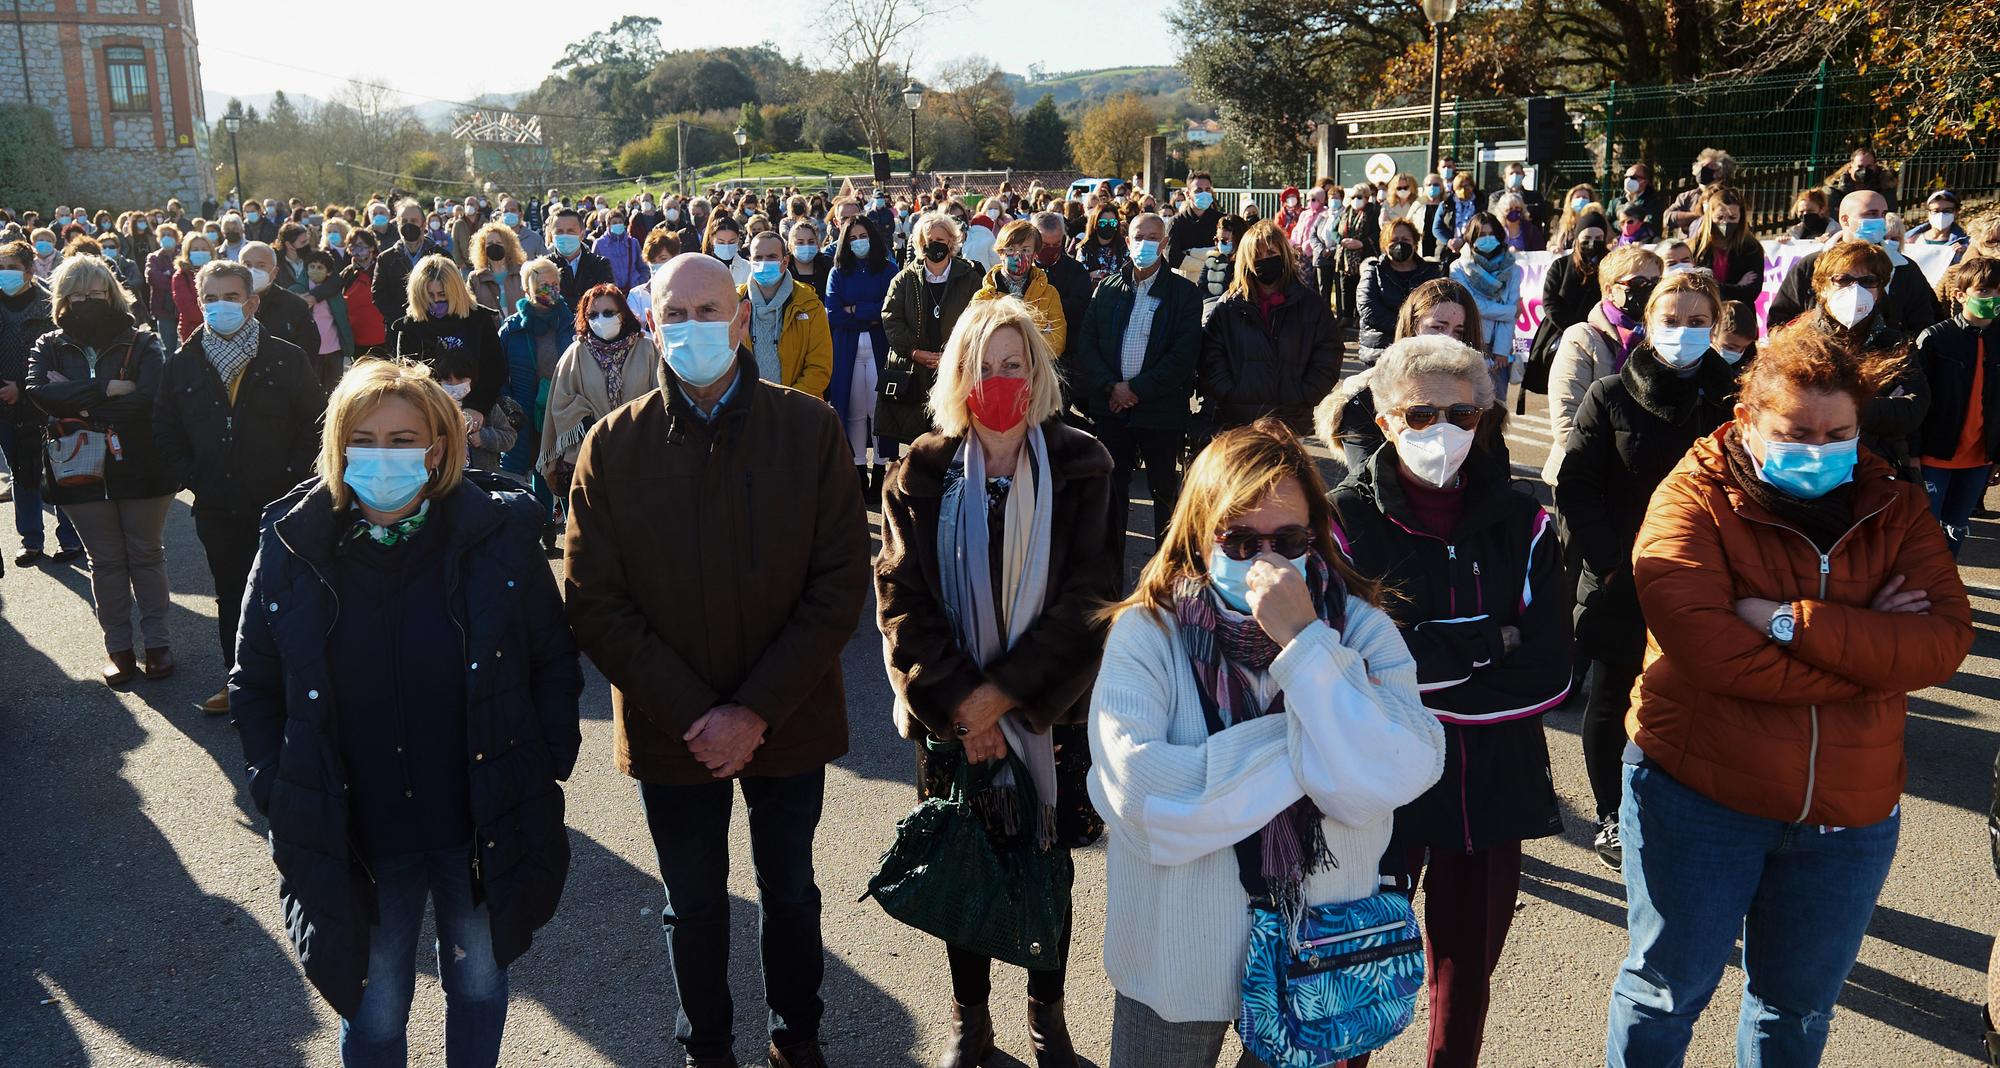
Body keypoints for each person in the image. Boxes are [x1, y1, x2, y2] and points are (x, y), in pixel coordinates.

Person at [1606, 326, 1972, 1066]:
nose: (1819, 447)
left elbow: (1942, 641)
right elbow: (1712, 653)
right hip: (1699, 797)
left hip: (1847, 815)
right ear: (1747, 420)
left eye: (1838, 432)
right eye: (1795, 432)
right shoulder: (1693, 496)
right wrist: (1871, 655)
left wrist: (1786, 621)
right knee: (1663, 994)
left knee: (1797, 1010)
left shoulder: (1894, 506)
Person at [565, 253, 870, 1068]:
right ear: (651, 325)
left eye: (712, 310)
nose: (694, 327)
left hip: (789, 717)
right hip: (677, 732)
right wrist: (699, 714)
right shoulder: (612, 449)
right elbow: (595, 600)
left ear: (741, 319)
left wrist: (756, 709)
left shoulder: (807, 430)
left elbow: (840, 583)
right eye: (676, 313)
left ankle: (795, 1038)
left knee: (791, 893)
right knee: (693, 903)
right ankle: (708, 1048)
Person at [231, 358, 581, 1067]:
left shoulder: (497, 534)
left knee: (479, 983)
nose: (382, 456)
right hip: (361, 831)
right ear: (336, 445)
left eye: (402, 439)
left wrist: (543, 762)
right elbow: (256, 684)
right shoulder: (291, 543)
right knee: (376, 1007)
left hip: (476, 818)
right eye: (363, 438)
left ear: (438, 447)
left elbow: (551, 659)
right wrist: (280, 788)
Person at [1089, 416, 1446, 1067]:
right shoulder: (1148, 633)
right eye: (1241, 540)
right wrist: (1322, 751)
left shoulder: (1357, 629)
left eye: (1288, 538)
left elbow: (1409, 765)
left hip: (1316, 946)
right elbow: (1146, 801)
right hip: (1177, 955)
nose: (1268, 561)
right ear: (1200, 534)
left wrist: (1307, 643)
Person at [873, 296, 1118, 1068]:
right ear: (958, 374)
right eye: (985, 366)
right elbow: (900, 598)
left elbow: (1092, 597)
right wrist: (961, 707)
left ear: (1038, 372)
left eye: (1015, 364)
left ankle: (1048, 1021)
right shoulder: (923, 468)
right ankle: (969, 1023)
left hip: (1051, 714)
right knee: (963, 856)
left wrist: (1005, 697)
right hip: (951, 714)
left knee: (1047, 863)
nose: (1001, 379)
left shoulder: (1084, 463)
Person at [1327, 334, 1572, 1068]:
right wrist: (1489, 643)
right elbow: (1349, 670)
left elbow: (1552, 673)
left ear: (1486, 417)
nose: (1443, 432)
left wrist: (1421, 662)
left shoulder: (1524, 520)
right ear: (1384, 416)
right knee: (1358, 973)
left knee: (1465, 983)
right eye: (1421, 414)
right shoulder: (1341, 519)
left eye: (1462, 414)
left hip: (1493, 786)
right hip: (1376, 794)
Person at [1553, 270, 1733, 869]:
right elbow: (1577, 487)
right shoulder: (1609, 394)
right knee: (1610, 696)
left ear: (1715, 326)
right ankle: (1610, 812)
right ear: (1649, 323)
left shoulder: (1737, 399)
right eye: (1672, 319)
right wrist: (1610, 567)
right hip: (1620, 577)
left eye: (1697, 321)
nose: (1683, 332)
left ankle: (1688, 805)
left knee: (1697, 694)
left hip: (1709, 580)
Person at [153, 259, 323, 715]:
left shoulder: (287, 358)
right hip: (217, 504)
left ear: (252, 302)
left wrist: (293, 480)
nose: (220, 306)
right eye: (210, 298)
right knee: (232, 596)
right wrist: (192, 476)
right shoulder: (183, 365)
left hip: (281, 504)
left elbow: (317, 426)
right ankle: (240, 683)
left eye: (230, 297)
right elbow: (165, 429)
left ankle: (297, 684)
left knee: (286, 593)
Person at [21, 255, 175, 682]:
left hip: (142, 463)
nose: (87, 301)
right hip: (76, 465)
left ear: (112, 292)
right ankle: (119, 649)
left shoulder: (143, 341)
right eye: (76, 294)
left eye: (95, 293)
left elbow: (148, 398)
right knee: (104, 560)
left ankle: (158, 644)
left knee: (146, 554)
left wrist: (72, 394)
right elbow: (39, 393)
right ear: (61, 299)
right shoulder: (47, 344)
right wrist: (106, 387)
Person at [1077, 211, 1202, 549]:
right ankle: (1111, 573)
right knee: (1112, 493)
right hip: (1111, 409)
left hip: (1160, 412)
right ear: (1127, 241)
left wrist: (1135, 390)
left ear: (1163, 244)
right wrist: (1111, 387)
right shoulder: (1108, 288)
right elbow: (1087, 343)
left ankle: (1167, 572)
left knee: (1164, 494)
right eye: (1137, 237)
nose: (1144, 244)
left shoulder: (1184, 294)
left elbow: (1183, 355)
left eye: (1152, 238)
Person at [1194, 220, 1343, 443]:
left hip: (1290, 421)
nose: (1264, 260)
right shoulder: (1229, 306)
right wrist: (1230, 392)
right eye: (1257, 255)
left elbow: (1328, 352)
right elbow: (1211, 354)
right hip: (1238, 421)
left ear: (1283, 253)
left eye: (1271, 252)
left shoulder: (1309, 303)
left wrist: (1304, 393)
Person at [1540, 245, 1663, 485]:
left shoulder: (1660, 339)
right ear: (1609, 290)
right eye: (1638, 283)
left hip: (1640, 481)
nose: (1649, 290)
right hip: (1582, 477)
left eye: (1656, 283)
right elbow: (1567, 421)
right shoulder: (1582, 337)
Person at [537, 282, 660, 507]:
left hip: (641, 455)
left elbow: (661, 396)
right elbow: (561, 401)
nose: (600, 320)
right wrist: (588, 423)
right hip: (590, 456)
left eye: (608, 313)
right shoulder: (575, 354)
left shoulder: (648, 349)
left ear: (623, 313)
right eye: (592, 314)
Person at [0, 239, 83, 566]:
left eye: (12, 269)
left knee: (58, 470)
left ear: (30, 272)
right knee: (23, 473)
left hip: (45, 405)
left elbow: (60, 356)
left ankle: (70, 538)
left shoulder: (50, 306)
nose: (5, 275)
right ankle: (31, 540)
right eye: (1, 268)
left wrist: (22, 386)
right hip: (5, 408)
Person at [1914, 256, 2000, 558]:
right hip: (1934, 456)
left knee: (1957, 526)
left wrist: (1996, 455)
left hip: (1978, 458)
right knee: (1924, 527)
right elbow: (1917, 401)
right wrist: (1912, 454)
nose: (1995, 298)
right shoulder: (1936, 338)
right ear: (1960, 294)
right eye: (1985, 291)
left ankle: (1945, 585)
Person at [881, 212, 984, 449]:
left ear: (951, 241)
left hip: (957, 367)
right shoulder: (904, 279)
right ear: (920, 243)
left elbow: (979, 317)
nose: (935, 244)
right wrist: (913, 351)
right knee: (922, 442)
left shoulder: (970, 277)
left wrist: (955, 354)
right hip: (917, 370)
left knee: (955, 437)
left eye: (942, 238)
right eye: (929, 239)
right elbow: (891, 318)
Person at [823, 216, 896, 499]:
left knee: (878, 411)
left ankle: (880, 467)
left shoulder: (889, 269)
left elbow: (889, 309)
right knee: (852, 410)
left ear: (872, 236)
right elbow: (834, 314)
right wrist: (868, 313)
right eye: (852, 238)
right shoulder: (838, 272)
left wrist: (855, 310)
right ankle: (857, 468)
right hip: (847, 349)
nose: (858, 242)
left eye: (862, 235)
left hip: (880, 349)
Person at [390, 254, 507, 421]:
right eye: (430, 295)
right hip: (428, 414)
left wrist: (477, 407)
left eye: (442, 294)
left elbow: (494, 370)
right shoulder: (410, 327)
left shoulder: (479, 319)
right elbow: (407, 377)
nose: (436, 300)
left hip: (476, 415)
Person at [737, 230, 833, 398]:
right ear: (750, 260)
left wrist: (787, 402)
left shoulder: (809, 304)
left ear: (785, 261)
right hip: (746, 407)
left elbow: (819, 366)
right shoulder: (733, 302)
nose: (764, 263)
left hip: (797, 410)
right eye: (758, 258)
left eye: (772, 257)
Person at [1448, 212, 1524, 402]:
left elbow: (1511, 308)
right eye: (1481, 235)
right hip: (1471, 341)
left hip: (1499, 350)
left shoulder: (1512, 269)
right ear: (1471, 237)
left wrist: (1501, 349)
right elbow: (1473, 307)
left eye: (1491, 234)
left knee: (1497, 406)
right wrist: (1510, 311)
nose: (1487, 239)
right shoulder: (1458, 268)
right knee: (1466, 402)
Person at [1357, 218, 1446, 367]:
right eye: (1394, 240)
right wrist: (1404, 326)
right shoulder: (1373, 271)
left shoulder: (1430, 273)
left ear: (1414, 243)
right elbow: (1368, 308)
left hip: (1421, 352)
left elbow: (1438, 307)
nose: (1399, 244)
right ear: (1385, 245)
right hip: (1380, 352)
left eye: (1405, 239)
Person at [973, 220, 1068, 355]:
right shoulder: (984, 296)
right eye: (1011, 249)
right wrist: (1036, 338)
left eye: (1025, 250)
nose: (1018, 255)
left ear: (1035, 254)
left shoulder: (1049, 294)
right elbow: (976, 339)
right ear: (1000, 252)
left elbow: (1057, 342)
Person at [1032, 210, 1094, 369]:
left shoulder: (1076, 271)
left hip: (1065, 357)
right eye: (1045, 245)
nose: (1051, 250)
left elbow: (1079, 309)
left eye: (1057, 244)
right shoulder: (1022, 271)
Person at [1539, 210, 1608, 341]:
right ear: (1577, 238)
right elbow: (1550, 302)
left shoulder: (1611, 265)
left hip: (1602, 334)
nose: (1592, 243)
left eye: (1598, 238)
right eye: (1587, 238)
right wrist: (1574, 330)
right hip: (1560, 331)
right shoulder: (1560, 265)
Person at [1686, 186, 1762, 307]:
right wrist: (1737, 287)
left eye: (1732, 217)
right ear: (1710, 217)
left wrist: (1713, 286)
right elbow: (1692, 285)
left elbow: (1751, 291)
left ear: (1741, 217)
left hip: (1738, 316)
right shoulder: (1696, 247)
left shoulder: (1751, 248)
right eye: (1720, 218)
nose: (1725, 222)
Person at [1331, 182, 1382, 325]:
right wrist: (1341, 241)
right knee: (1346, 287)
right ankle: (1347, 316)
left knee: (1363, 287)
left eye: (1359, 197)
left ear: (1366, 197)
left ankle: (1360, 317)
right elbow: (1333, 230)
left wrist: (1361, 243)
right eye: (1353, 196)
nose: (1355, 200)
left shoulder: (1373, 212)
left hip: (1364, 255)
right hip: (1346, 258)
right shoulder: (1346, 212)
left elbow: (1377, 233)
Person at [547, 208, 616, 308]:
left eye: (570, 231)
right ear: (551, 235)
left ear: (582, 234)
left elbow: (606, 300)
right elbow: (544, 303)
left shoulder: (600, 264)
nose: (565, 235)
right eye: (559, 231)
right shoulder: (544, 267)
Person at [1664, 148, 1735, 234]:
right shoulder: (1686, 196)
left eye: (1710, 166)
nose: (1702, 170)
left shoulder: (1729, 197)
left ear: (1721, 172)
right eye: (1701, 166)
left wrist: (1686, 220)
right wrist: (1698, 215)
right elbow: (1668, 218)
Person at [1824, 146, 1897, 222]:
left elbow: (1890, 216)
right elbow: (1829, 219)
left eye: (1869, 166)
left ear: (1875, 167)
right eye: (1860, 166)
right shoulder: (1834, 190)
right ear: (1850, 167)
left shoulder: (1885, 187)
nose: (1864, 171)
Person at [468, 223, 527, 312]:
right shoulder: (475, 278)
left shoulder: (522, 272)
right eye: (490, 243)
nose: (494, 246)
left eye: (499, 243)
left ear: (508, 246)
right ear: (483, 248)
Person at [1075, 204, 1129, 285]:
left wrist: (1099, 274)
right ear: (1095, 224)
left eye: (1112, 222)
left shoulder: (1124, 247)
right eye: (1102, 223)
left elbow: (1130, 275)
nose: (1108, 225)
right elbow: (1079, 279)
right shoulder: (1085, 249)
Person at [1607, 162, 1665, 237]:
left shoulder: (1653, 202)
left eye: (1633, 177)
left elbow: (1650, 227)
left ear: (1645, 181)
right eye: (1626, 177)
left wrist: (1618, 223)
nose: (1628, 180)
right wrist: (1627, 224)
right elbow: (1607, 224)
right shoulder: (1615, 202)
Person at [1432, 170, 1481, 259]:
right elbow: (1436, 227)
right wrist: (1449, 242)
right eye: (1460, 187)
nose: (1463, 189)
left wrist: (1463, 241)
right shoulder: (1446, 204)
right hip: (1447, 251)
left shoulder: (1480, 204)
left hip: (1471, 251)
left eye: (1467, 186)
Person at [1196, 215, 1246, 301]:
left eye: (1224, 240)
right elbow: (1201, 286)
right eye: (1216, 240)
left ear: (1238, 238)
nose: (1219, 244)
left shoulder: (1246, 263)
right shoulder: (1212, 259)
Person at [1907, 189, 1970, 256]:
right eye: (1935, 211)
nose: (1941, 215)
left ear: (1956, 212)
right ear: (1928, 212)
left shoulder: (1965, 243)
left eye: (1947, 210)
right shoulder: (1911, 240)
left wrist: (1965, 255)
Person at [1548, 184, 1601, 254]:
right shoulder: (1563, 222)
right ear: (1571, 201)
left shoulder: (1597, 221)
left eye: (1584, 197)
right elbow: (1552, 242)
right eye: (1577, 197)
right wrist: (1553, 247)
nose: (1581, 199)